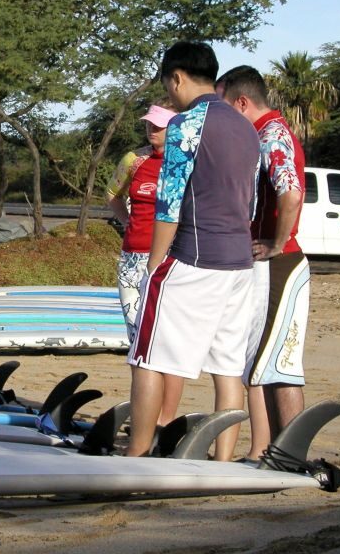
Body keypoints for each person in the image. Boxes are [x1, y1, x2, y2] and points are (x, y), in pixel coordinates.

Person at [126, 41, 260, 461]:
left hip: (195, 258)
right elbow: (251, 201)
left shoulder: (186, 124)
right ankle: (223, 461)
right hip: (240, 263)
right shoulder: (246, 127)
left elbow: (169, 204)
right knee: (227, 367)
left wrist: (153, 266)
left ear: (177, 77)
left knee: (147, 357)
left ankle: (136, 455)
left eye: (168, 85)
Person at [217, 65, 309, 461]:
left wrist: (276, 242)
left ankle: (292, 454)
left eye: (224, 106)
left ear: (242, 102)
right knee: (264, 362)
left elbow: (291, 193)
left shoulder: (272, 135)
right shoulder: (262, 135)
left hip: (280, 264)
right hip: (268, 264)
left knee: (280, 363)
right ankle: (275, 452)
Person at [107, 104, 185, 428]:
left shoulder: (185, 161)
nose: (152, 130)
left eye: (159, 125)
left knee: (167, 342)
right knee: (138, 342)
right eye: (149, 124)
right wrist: (128, 223)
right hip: (132, 260)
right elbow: (112, 195)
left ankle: (165, 420)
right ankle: (143, 416)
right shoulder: (133, 159)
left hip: (169, 261)